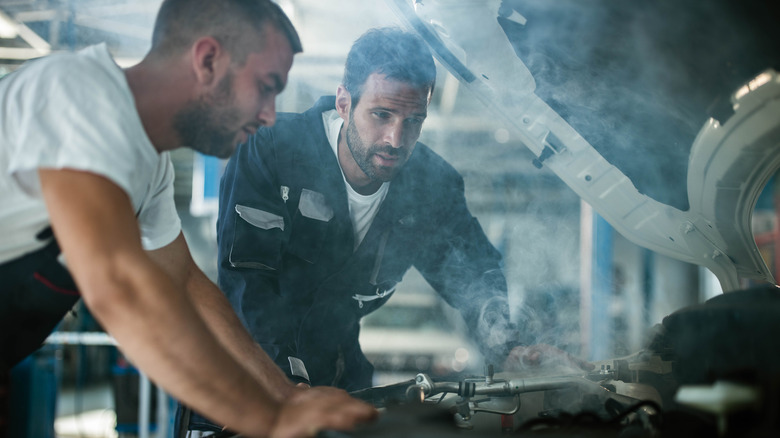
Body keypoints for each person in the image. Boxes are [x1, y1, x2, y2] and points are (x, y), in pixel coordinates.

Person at [0, 1, 377, 437]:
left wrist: (284, 394)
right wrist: (268, 419)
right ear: (208, 59)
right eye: (265, 86)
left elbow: (185, 284)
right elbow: (119, 286)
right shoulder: (78, 94)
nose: (270, 114)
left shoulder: (148, 166)